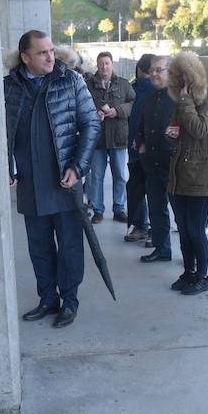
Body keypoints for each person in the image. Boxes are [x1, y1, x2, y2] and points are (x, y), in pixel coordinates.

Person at [4, 30, 100, 328]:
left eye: (51, 50)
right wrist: (6, 167)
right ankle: (47, 299)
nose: (50, 57)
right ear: (25, 58)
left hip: (65, 181)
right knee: (39, 247)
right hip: (30, 183)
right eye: (42, 52)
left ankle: (69, 301)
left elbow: (91, 124)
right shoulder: (9, 87)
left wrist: (79, 166)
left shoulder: (70, 81)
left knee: (70, 246)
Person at [166, 53, 208, 294]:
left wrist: (185, 102)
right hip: (179, 173)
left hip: (201, 174)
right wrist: (170, 132)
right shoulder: (184, 98)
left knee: (196, 228)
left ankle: (203, 276)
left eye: (190, 74)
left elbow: (200, 129)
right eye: (183, 75)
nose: (186, 79)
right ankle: (189, 272)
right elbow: (177, 128)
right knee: (182, 226)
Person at [134, 55, 176, 262]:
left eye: (160, 70)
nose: (154, 73)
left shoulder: (180, 98)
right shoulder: (149, 97)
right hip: (152, 163)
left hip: (175, 167)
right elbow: (141, 125)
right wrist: (140, 144)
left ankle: (192, 260)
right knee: (156, 210)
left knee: (183, 216)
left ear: (171, 72)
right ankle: (162, 248)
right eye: (152, 70)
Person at [85, 52, 136, 223]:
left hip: (119, 137)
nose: (104, 67)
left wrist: (118, 111)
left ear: (112, 64)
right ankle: (98, 209)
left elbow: (133, 104)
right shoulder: (88, 85)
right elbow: (82, 105)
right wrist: (94, 114)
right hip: (97, 140)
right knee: (97, 176)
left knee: (120, 175)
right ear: (97, 65)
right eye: (101, 64)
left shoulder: (123, 84)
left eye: (107, 63)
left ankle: (119, 208)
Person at [124, 53, 156, 243]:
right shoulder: (136, 89)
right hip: (140, 149)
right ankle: (146, 228)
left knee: (146, 190)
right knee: (142, 189)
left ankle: (148, 228)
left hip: (144, 150)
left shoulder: (153, 91)